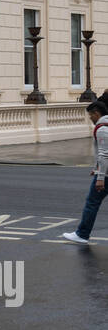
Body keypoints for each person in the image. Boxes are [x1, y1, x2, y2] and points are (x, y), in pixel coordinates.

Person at [63, 95, 108, 243]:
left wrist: (100, 177)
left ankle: (82, 234)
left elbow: (104, 154)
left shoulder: (102, 129)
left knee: (91, 203)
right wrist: (97, 169)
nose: (90, 118)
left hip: (106, 176)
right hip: (103, 171)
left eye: (90, 115)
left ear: (96, 113)